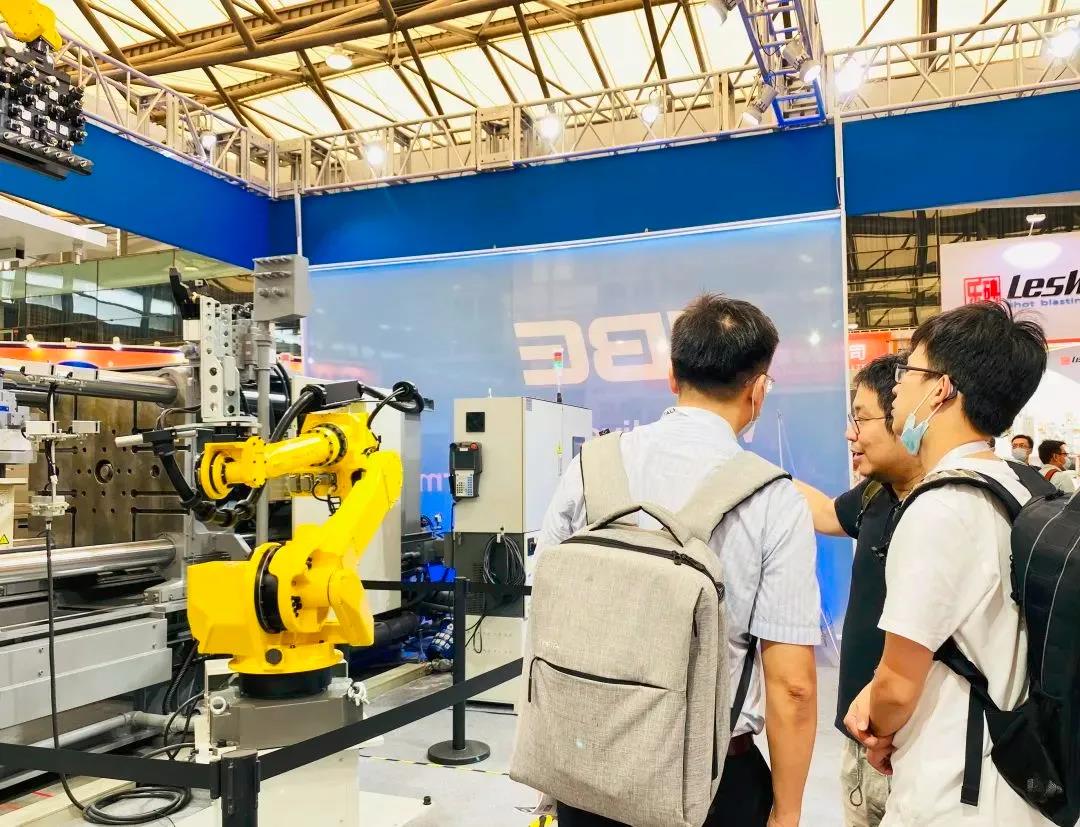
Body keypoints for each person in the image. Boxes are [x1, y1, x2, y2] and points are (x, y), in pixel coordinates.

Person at [538, 294, 820, 827]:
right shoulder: (773, 498)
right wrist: (787, 812)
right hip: (708, 780)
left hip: (583, 764)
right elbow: (793, 685)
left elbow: (544, 605)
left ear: (672, 376)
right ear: (758, 390)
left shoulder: (590, 467)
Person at [844, 301, 1050, 826]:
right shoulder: (1017, 486)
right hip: (1015, 777)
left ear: (941, 389)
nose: (897, 387)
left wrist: (876, 725)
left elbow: (897, 684)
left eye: (909, 370)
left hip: (953, 792)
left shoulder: (941, 507)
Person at [795, 353, 922, 827]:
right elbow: (828, 513)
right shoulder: (876, 494)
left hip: (909, 746)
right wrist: (760, 476)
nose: (851, 434)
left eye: (861, 418)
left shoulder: (945, 509)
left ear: (904, 414)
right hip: (860, 735)